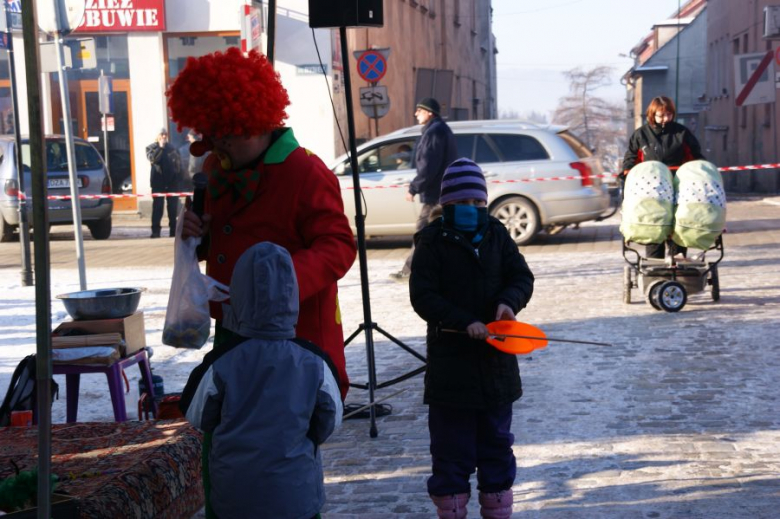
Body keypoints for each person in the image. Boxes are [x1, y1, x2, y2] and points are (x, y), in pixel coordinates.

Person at [167, 47, 356, 519]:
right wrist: (199, 236)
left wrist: (280, 286)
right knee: (225, 439)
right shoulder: (216, 169)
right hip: (234, 330)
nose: (219, 149)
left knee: (282, 449)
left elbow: (338, 247)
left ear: (255, 121)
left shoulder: (306, 172)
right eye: (213, 139)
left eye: (226, 137)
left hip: (293, 339)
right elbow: (222, 242)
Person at [179, 242, 343, 519]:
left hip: (235, 496)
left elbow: (198, 415)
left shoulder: (222, 360)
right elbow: (329, 421)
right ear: (292, 294)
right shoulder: (314, 361)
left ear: (239, 294)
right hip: (296, 494)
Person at [409, 158, 535, 519]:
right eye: (464, 204)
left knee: (497, 445)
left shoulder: (497, 234)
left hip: (497, 366)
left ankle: (497, 509)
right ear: (448, 205)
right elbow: (424, 296)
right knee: (451, 450)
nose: (473, 210)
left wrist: (508, 304)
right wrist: (464, 322)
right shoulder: (431, 241)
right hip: (452, 370)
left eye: (479, 203)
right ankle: (452, 510)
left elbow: (521, 278)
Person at [622, 96, 705, 258]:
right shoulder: (641, 135)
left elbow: (694, 156)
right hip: (650, 189)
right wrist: (627, 173)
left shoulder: (681, 133)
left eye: (668, 115)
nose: (665, 119)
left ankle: (678, 261)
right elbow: (632, 157)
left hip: (678, 186)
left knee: (678, 223)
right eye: (660, 115)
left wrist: (701, 172)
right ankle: (654, 264)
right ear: (652, 115)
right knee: (654, 224)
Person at [389, 97, 457, 281]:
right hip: (443, 190)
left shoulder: (434, 132)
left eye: (419, 111)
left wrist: (413, 188)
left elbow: (429, 166)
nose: (415, 114)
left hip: (436, 194)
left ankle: (410, 270)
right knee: (441, 234)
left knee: (423, 231)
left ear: (429, 113)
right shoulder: (439, 130)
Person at [146, 128, 182, 238]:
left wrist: (179, 179)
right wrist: (160, 148)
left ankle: (173, 231)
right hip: (158, 182)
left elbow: (179, 165)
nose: (164, 137)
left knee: (172, 208)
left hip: (172, 182)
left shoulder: (172, 148)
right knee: (158, 207)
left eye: (165, 134)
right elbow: (153, 159)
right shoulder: (151, 148)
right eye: (162, 134)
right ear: (157, 136)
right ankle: (156, 231)